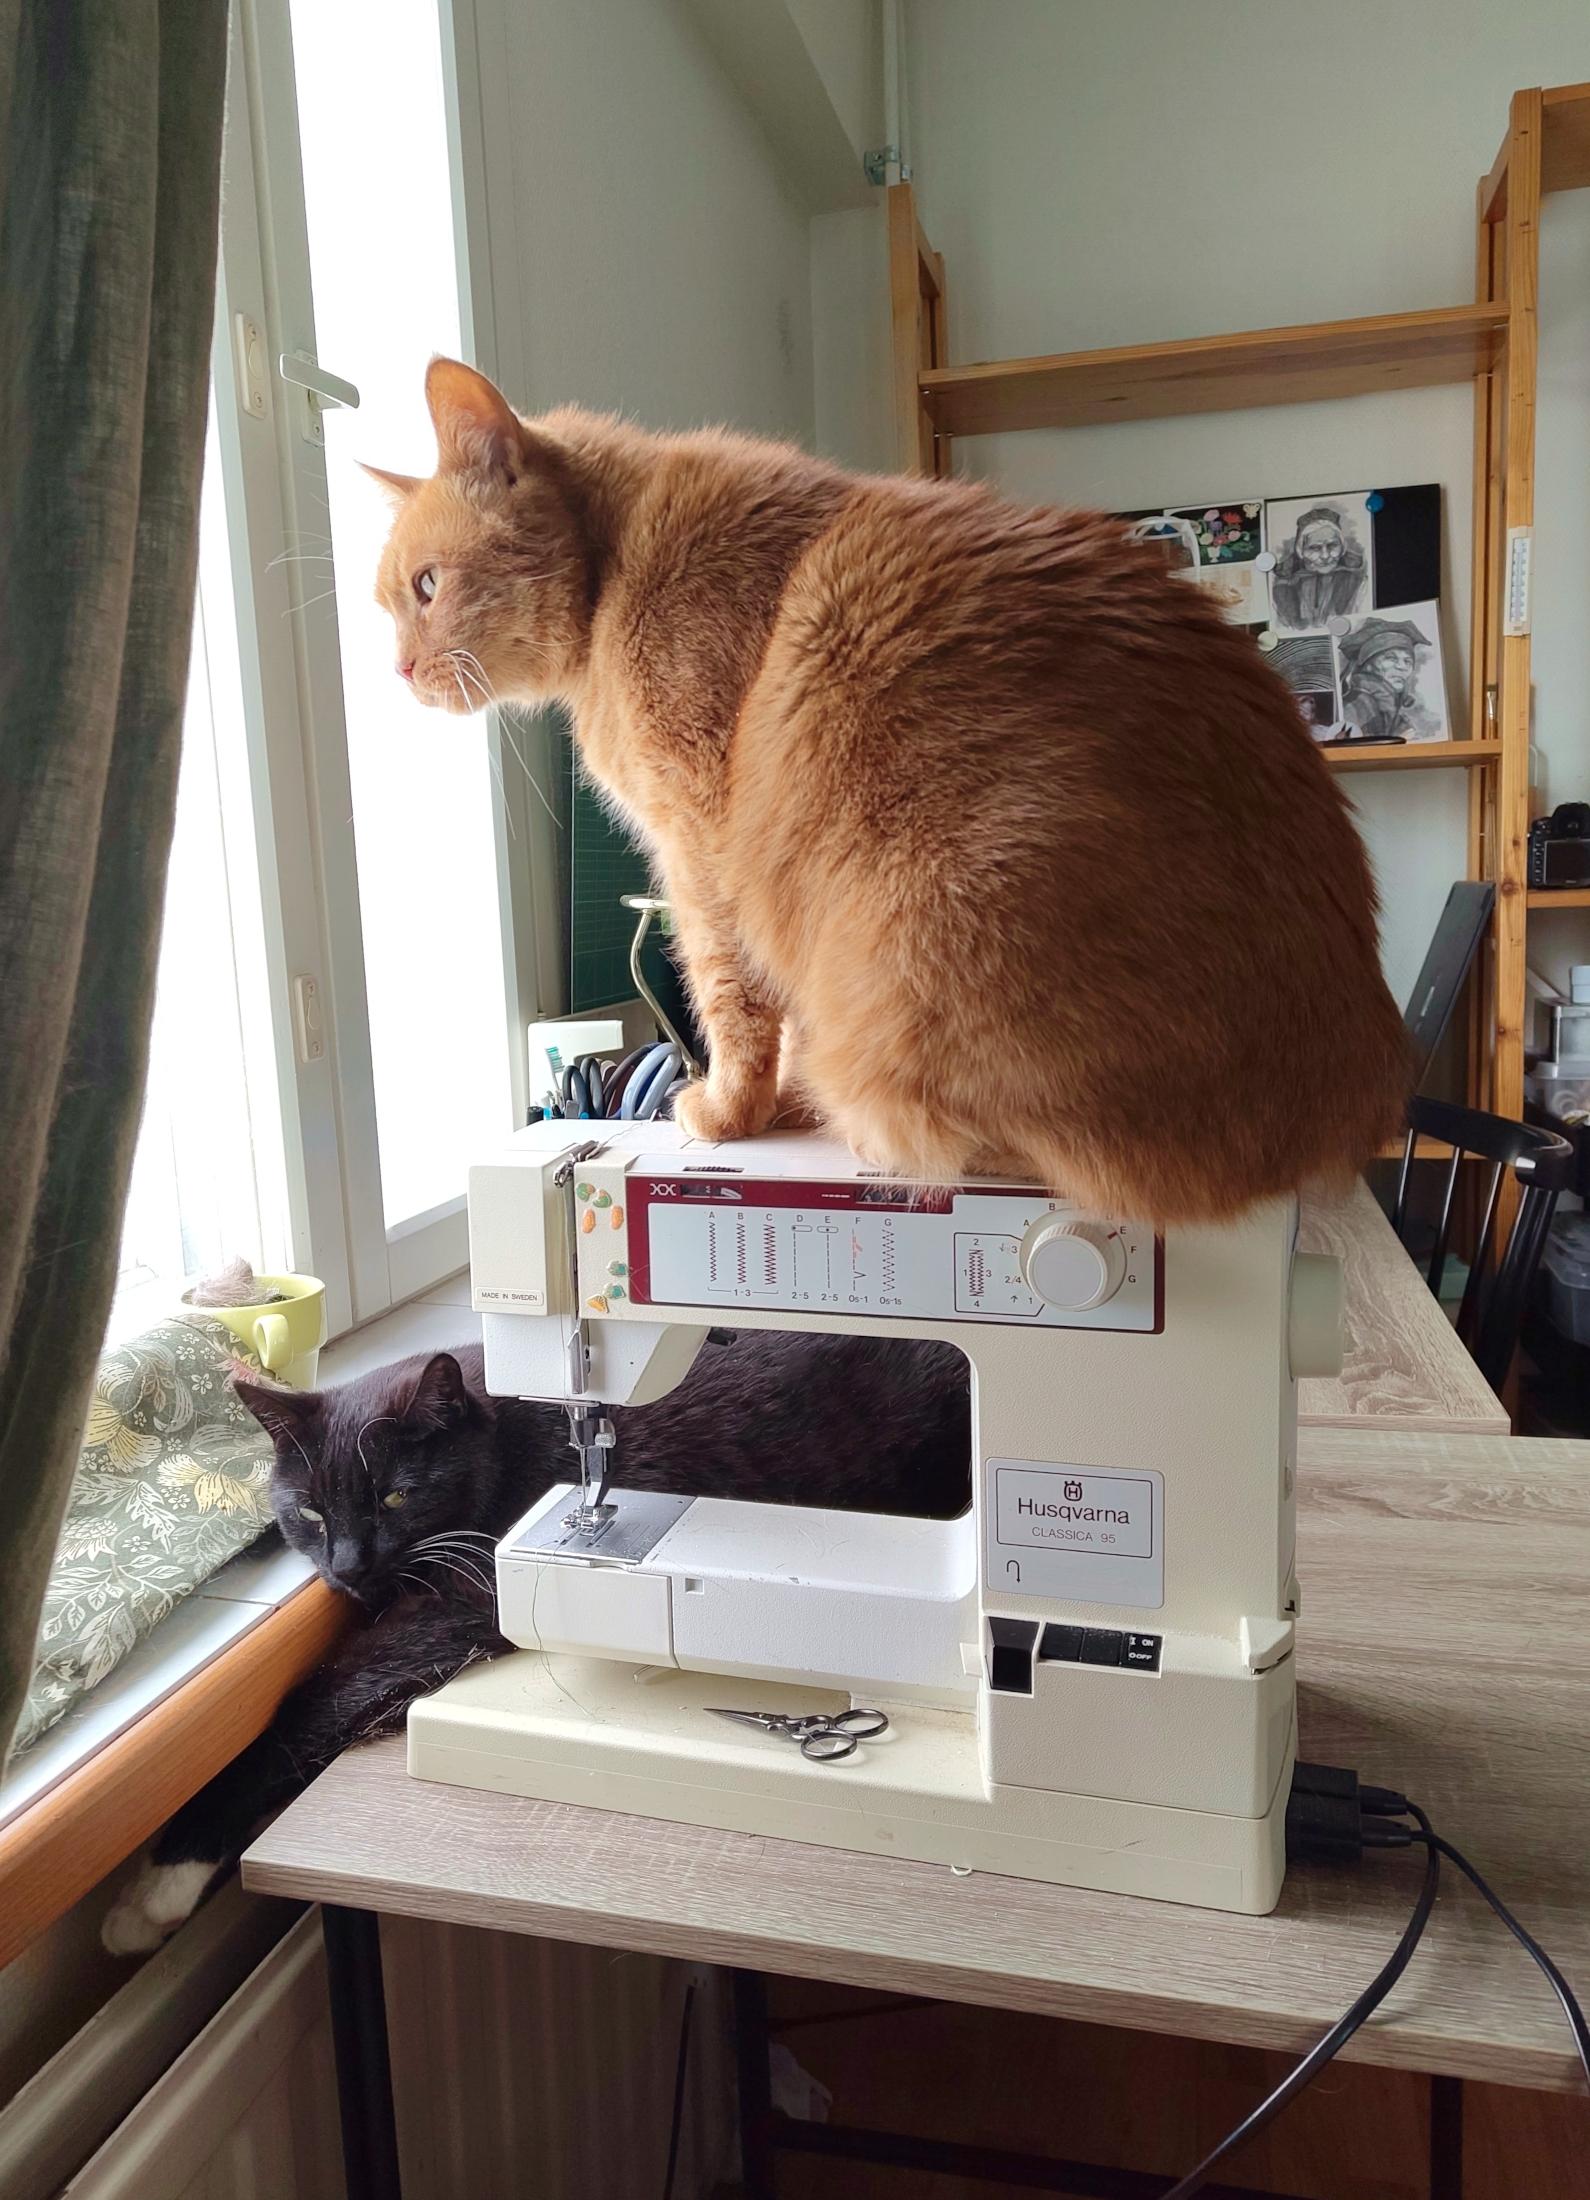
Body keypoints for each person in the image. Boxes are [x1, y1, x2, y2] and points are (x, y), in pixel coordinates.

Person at [1272, 505, 1367, 629]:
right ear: (1301, 550)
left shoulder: (1357, 581)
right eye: (1315, 548)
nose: (1325, 556)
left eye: (1332, 545)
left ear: (1342, 547)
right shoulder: (1283, 586)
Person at [1337, 617, 1430, 744]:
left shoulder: (1396, 717)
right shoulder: (1356, 705)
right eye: (1391, 658)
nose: (1402, 667)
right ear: (1368, 664)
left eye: (1407, 661)